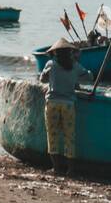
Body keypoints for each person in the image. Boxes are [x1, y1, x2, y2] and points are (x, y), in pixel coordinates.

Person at [40, 38, 93, 175]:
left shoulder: (51, 64)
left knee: (52, 135)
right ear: (70, 52)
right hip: (68, 104)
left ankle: (57, 168)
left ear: (55, 53)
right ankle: (71, 170)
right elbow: (89, 77)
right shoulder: (75, 65)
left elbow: (42, 79)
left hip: (52, 103)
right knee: (70, 136)